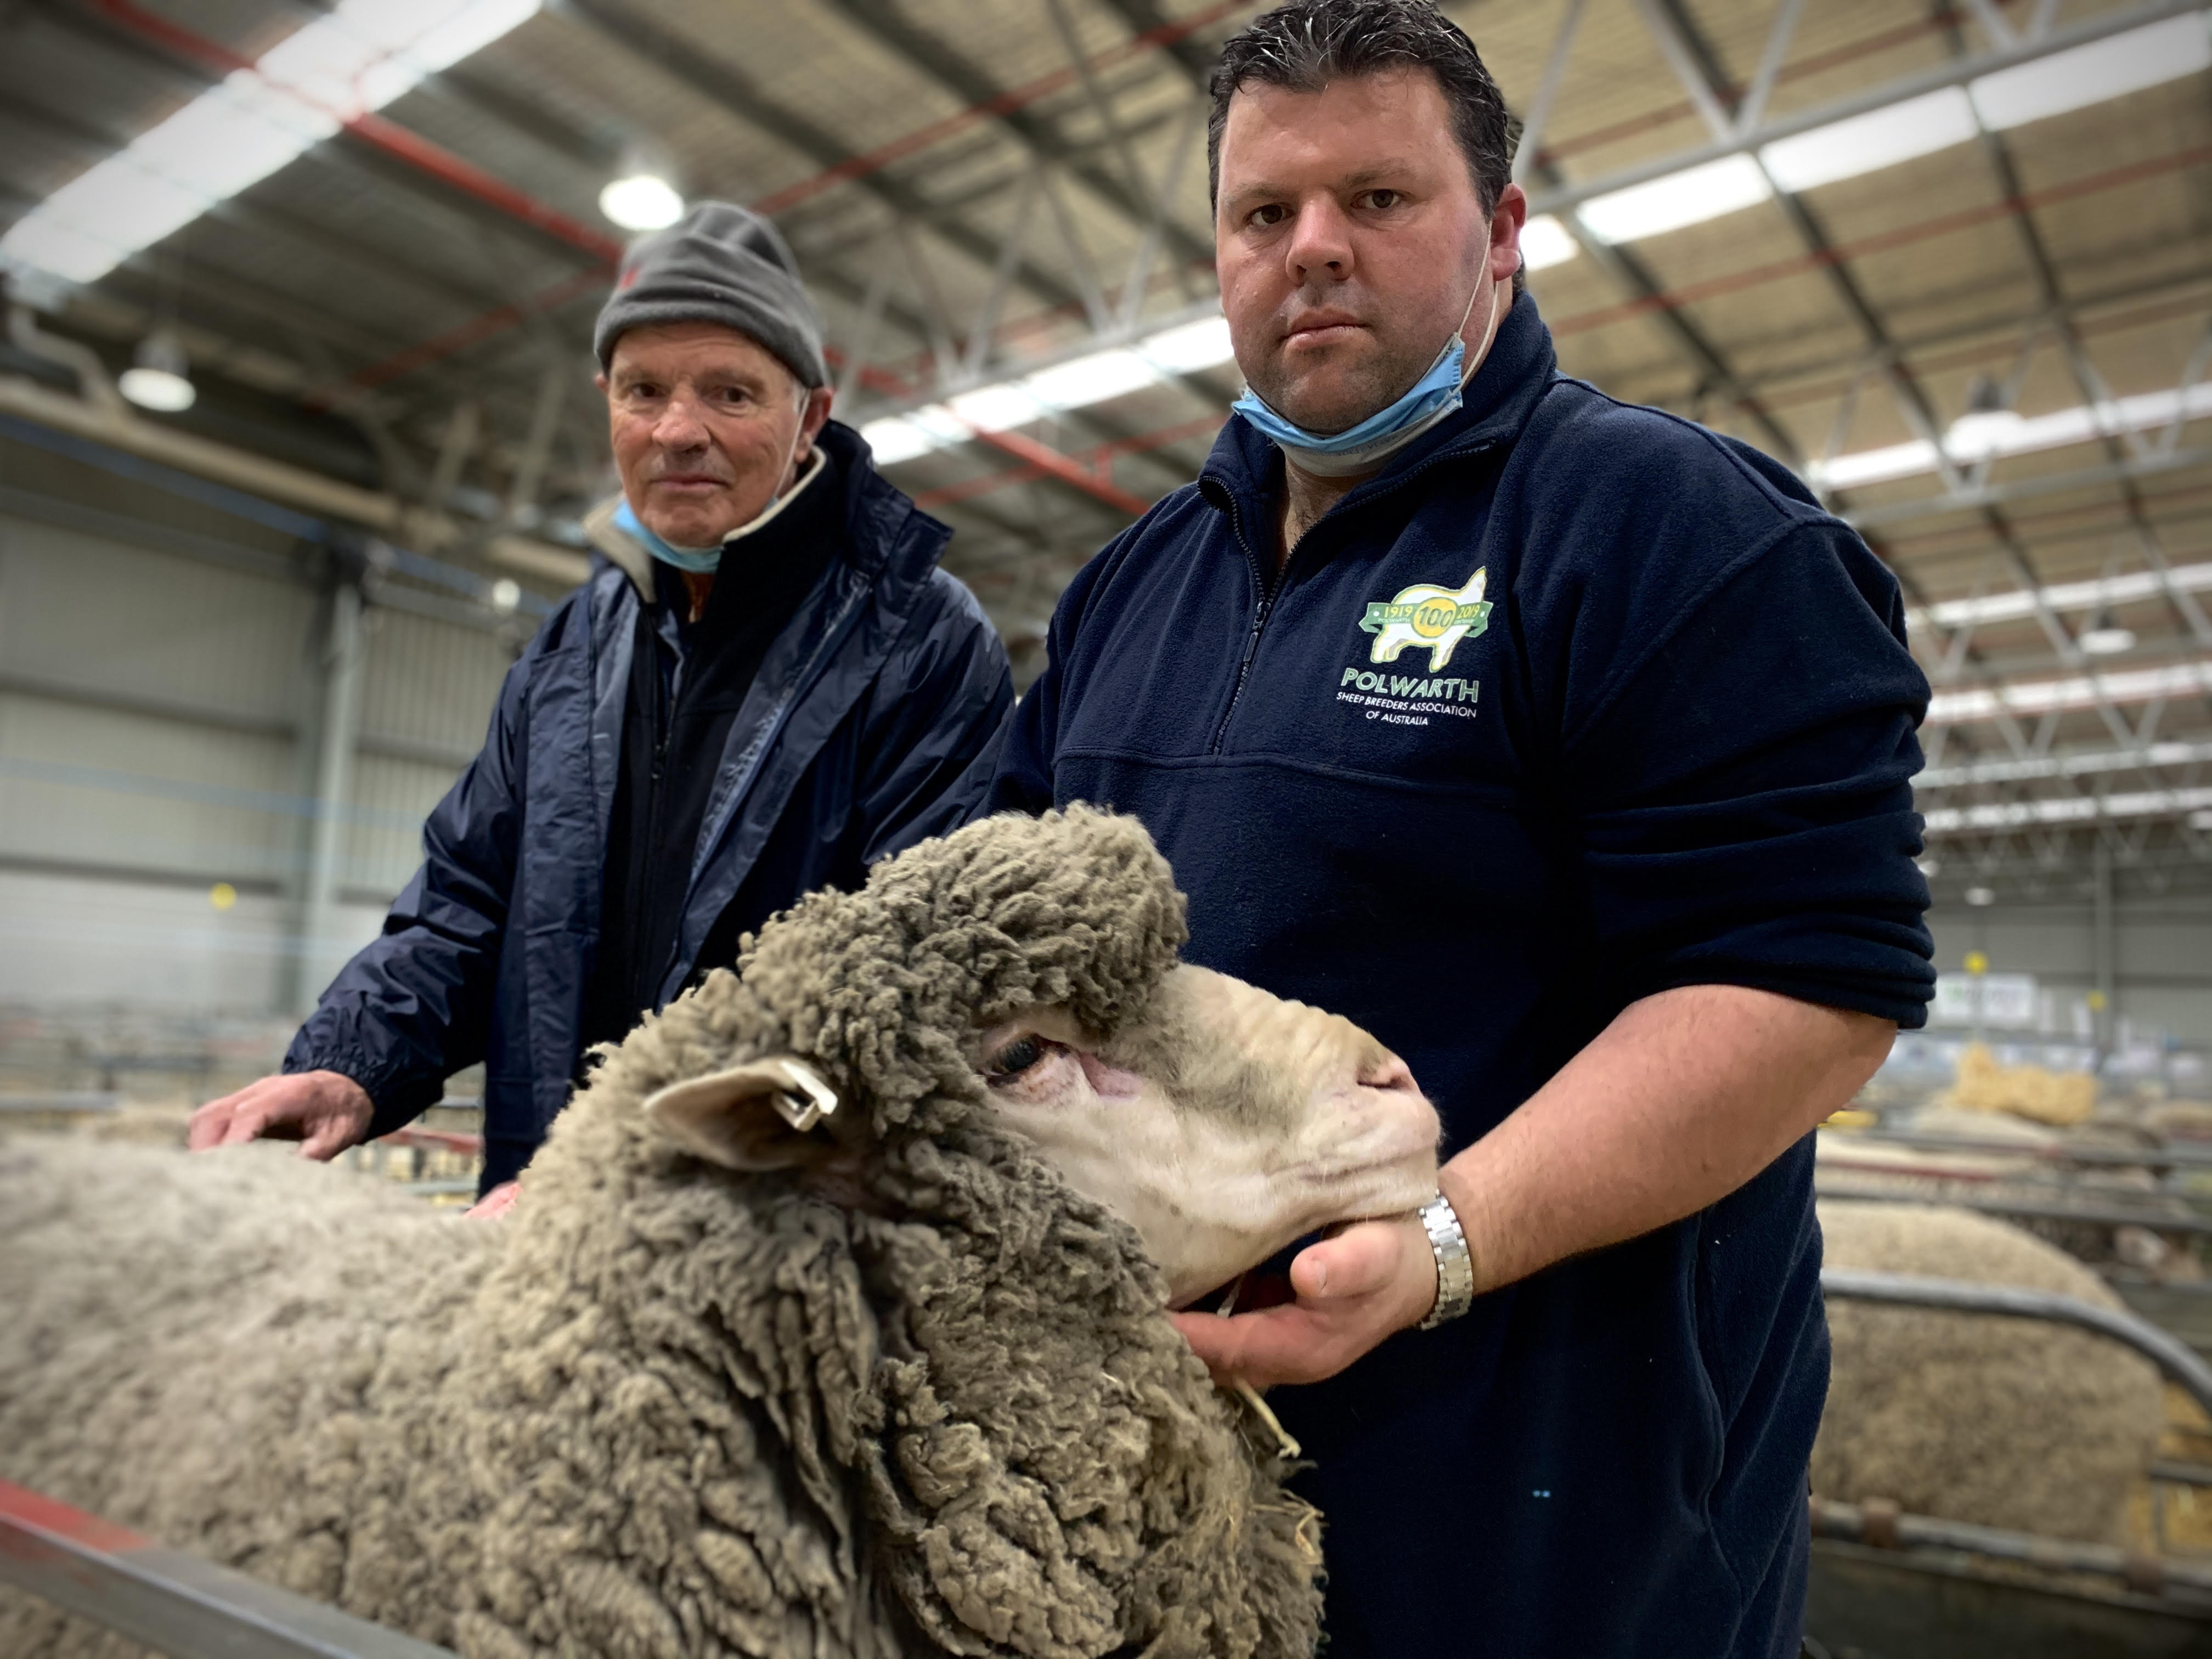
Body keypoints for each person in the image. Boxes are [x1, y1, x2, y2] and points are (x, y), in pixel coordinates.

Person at [988, 4, 1933, 1654]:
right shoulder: (1134, 587)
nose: (1312, 249)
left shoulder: (1671, 533)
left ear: (1501, 231)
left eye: (1378, 198)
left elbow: (1805, 988)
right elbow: (986, 933)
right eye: (1264, 213)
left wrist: (1445, 1244)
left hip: (1543, 1524)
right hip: (1165, 1500)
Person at [194, 202, 1014, 1193]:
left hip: (785, 1224)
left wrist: (637, 1182)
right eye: (643, 390)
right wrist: (348, 1065)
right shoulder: (569, 653)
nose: (678, 430)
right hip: (549, 1206)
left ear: (809, 418)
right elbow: (467, 911)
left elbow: (914, 976)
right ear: (606, 401)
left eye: (730, 392)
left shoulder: (919, 641)